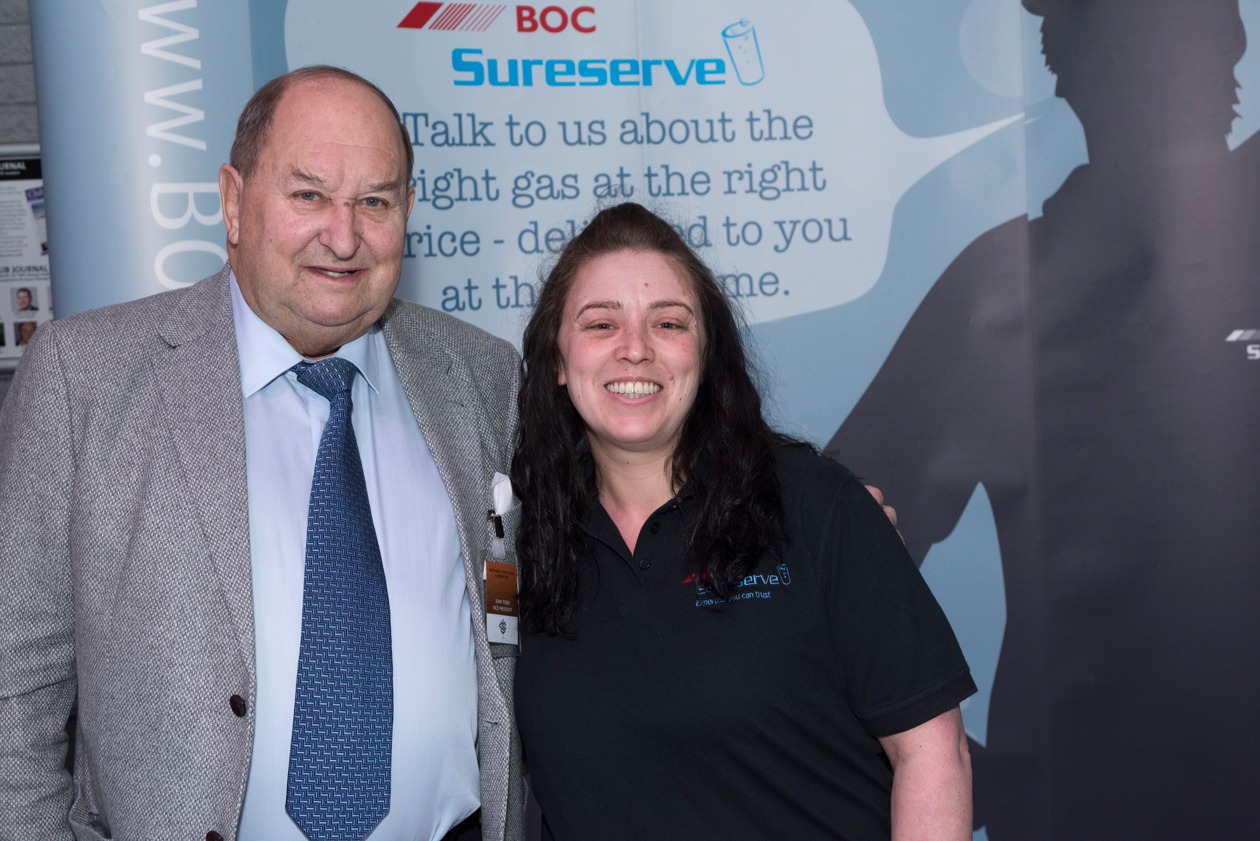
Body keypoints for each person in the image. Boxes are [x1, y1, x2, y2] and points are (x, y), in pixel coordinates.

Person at [0, 66, 524, 841]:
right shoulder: (87, 377)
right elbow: (15, 682)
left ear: (407, 212)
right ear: (233, 201)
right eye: (308, 195)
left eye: (375, 202)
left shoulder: (482, 374)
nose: (343, 236)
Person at [827, 2, 1260, 837]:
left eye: (1193, 40)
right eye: (1128, 51)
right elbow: (827, 561)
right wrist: (958, 769)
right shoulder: (1003, 286)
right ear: (1066, 74)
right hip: (1090, 809)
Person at [510, 202, 975, 841]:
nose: (635, 349)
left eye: (668, 323)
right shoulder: (522, 543)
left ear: (706, 355)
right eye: (601, 324)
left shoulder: (814, 505)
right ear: (558, 362)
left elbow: (932, 751)